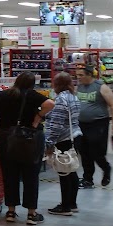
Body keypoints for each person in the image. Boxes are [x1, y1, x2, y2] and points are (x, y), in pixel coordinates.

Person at [0, 72, 55, 225]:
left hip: (7, 140)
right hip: (30, 140)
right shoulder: (32, 95)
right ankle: (31, 214)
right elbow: (50, 104)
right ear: (32, 84)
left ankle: (11, 211)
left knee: (9, 176)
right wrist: (38, 117)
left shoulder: (2, 95)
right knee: (31, 176)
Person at [75, 65, 113, 188]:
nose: (78, 78)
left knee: (96, 151)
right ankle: (87, 179)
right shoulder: (79, 87)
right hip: (81, 124)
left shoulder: (101, 87)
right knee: (83, 151)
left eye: (81, 75)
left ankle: (106, 168)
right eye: (77, 75)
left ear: (89, 74)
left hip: (98, 123)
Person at [44, 72, 82, 216]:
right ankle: (72, 203)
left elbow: (57, 124)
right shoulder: (74, 97)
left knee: (63, 173)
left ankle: (65, 206)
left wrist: (49, 143)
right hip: (75, 136)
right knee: (71, 171)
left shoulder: (61, 99)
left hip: (64, 139)